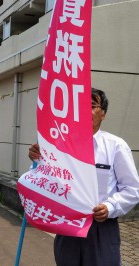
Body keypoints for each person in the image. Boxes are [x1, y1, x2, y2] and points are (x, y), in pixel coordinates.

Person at [28, 88, 139, 266]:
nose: (85, 111)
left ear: (103, 114)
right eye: (80, 106)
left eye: (93, 106)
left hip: (101, 227)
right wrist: (37, 160)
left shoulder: (115, 146)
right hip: (67, 225)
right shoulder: (59, 144)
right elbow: (44, 181)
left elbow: (132, 189)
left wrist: (109, 207)